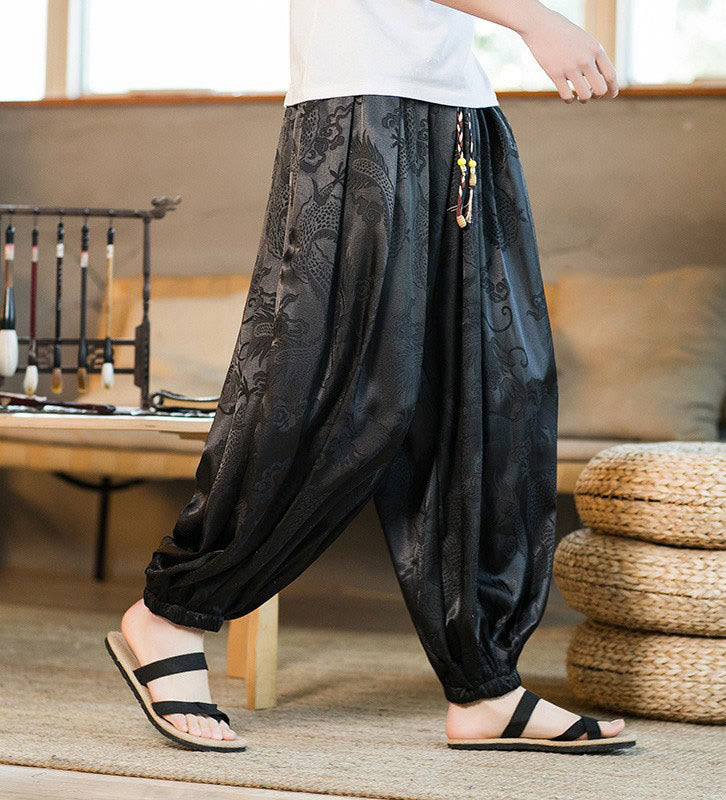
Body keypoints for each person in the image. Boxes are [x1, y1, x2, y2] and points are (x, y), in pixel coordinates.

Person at [106, 0, 635, 754]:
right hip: (360, 108)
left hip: (460, 112)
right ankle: (175, 609)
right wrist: (536, 20)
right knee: (337, 395)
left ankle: (483, 682)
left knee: (487, 394)